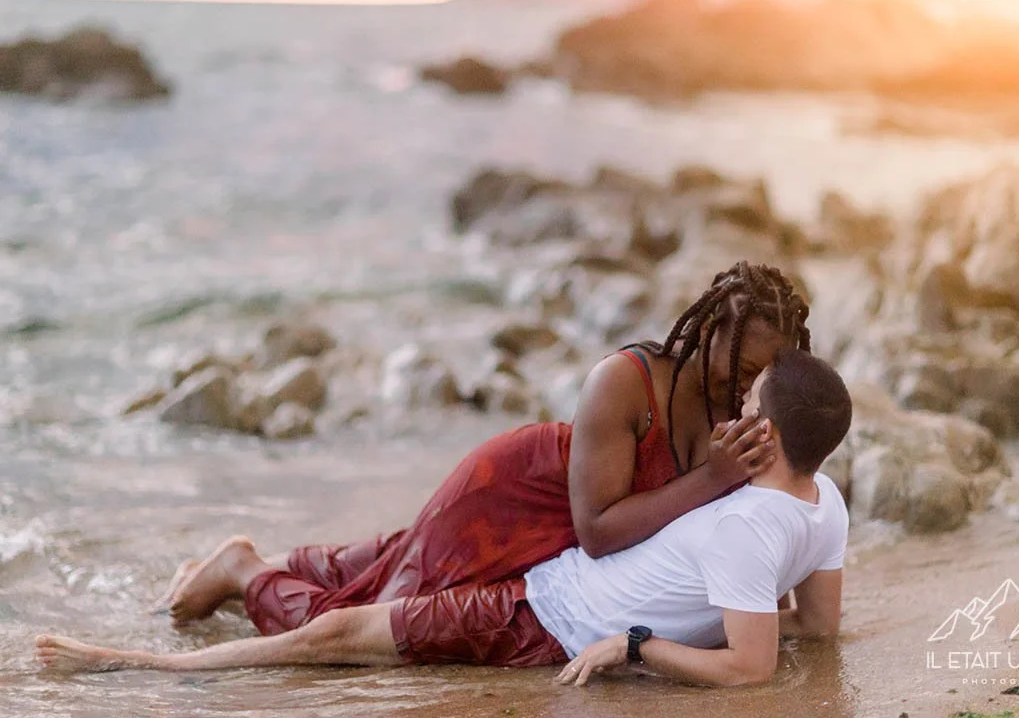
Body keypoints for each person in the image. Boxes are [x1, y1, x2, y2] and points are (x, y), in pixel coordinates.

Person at [36, 348, 852, 690]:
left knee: (342, 632)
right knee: (381, 577)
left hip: (544, 617)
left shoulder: (751, 521)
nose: (731, 410)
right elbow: (811, 627)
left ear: (771, 434)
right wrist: (716, 614)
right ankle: (233, 580)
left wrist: (637, 644)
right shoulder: (825, 503)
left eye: (746, 404)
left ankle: (137, 661)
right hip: (547, 555)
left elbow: (755, 670)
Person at [153, 261, 813, 636]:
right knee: (356, 615)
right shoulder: (628, 383)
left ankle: (245, 563)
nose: (751, 388)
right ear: (709, 335)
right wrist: (713, 478)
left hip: (552, 541)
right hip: (509, 498)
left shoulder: (754, 407)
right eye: (741, 367)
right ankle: (242, 568)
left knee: (385, 562)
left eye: (768, 374)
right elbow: (599, 531)